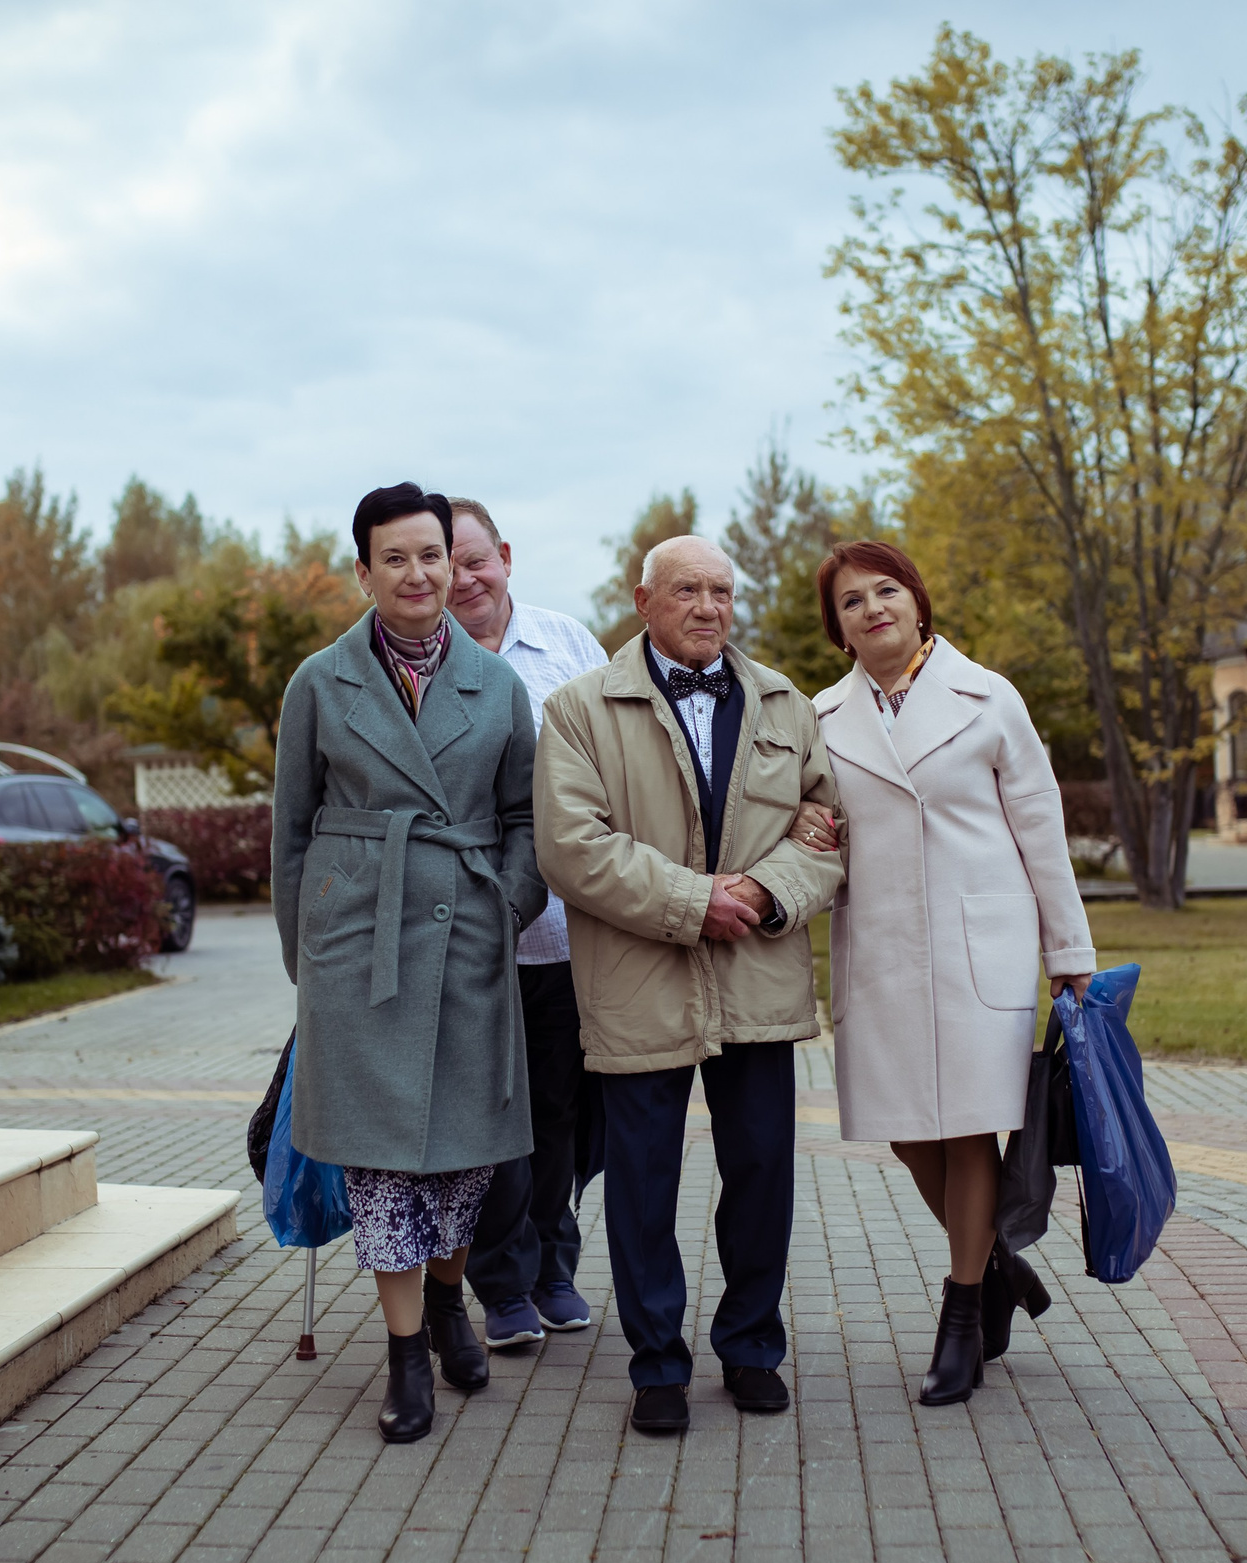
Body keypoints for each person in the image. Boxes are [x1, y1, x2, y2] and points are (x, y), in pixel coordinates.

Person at [535, 535, 842, 1435]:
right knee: (641, 1183)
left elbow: (826, 823)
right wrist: (692, 900)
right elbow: (571, 845)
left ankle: (751, 1346)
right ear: (643, 600)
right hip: (639, 977)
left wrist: (762, 892)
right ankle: (656, 1363)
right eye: (686, 590)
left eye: (720, 590)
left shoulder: (785, 702)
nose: (708, 606)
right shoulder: (578, 709)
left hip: (758, 972)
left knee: (760, 1172)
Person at [270, 482, 548, 1443]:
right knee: (385, 1162)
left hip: (468, 931)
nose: (419, 573)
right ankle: (403, 1356)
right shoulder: (320, 681)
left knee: (462, 1159)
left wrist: (510, 898)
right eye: (395, 557)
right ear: (364, 571)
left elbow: (524, 819)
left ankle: (444, 1300)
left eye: (432, 554)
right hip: (360, 946)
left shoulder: (498, 685)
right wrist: (308, 952)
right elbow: (292, 828)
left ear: (453, 559)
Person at [798, 540, 1094, 1406]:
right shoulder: (818, 719)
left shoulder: (988, 696)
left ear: (918, 602)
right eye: (851, 601)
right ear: (839, 630)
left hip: (979, 944)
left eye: (886, 590)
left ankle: (962, 1310)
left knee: (968, 1128)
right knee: (903, 1125)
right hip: (881, 944)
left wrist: (1068, 953)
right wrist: (813, 835)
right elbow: (812, 823)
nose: (872, 608)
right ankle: (1000, 1264)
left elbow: (1041, 824)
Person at [445, 498, 611, 1353]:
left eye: (477, 559)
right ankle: (503, 1279)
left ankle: (554, 1261)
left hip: (567, 936)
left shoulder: (568, 643)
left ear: (504, 555)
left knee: (562, 1111)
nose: (464, 578)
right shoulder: (418, 660)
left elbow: (619, 758)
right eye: (448, 563)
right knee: (489, 1114)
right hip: (470, 935)